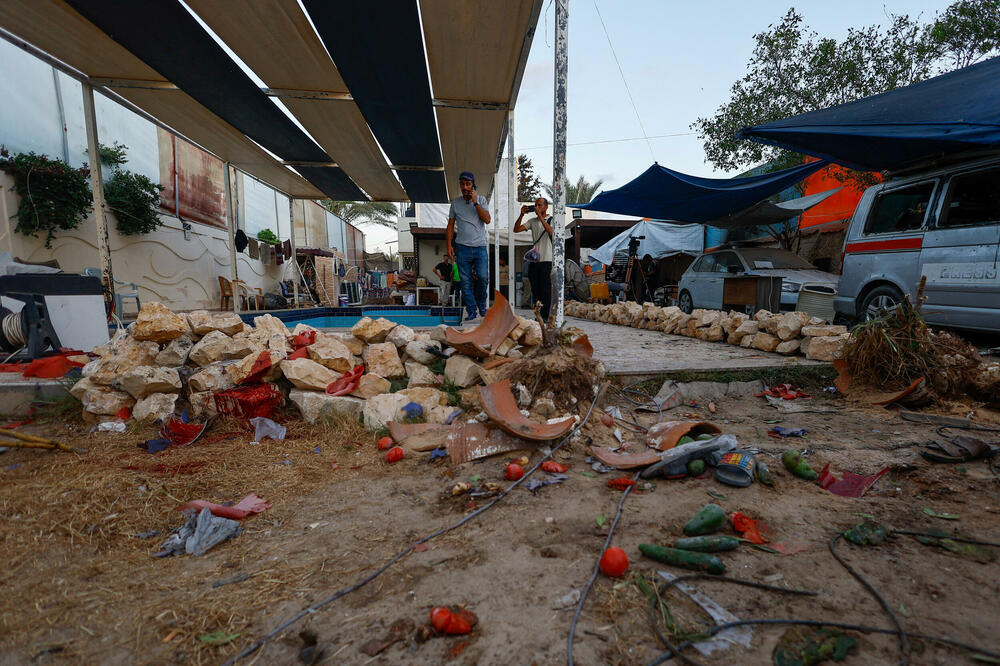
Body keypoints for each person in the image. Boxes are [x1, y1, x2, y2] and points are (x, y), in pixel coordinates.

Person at [446, 171, 491, 321]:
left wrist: (475, 202)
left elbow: (487, 220)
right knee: (465, 282)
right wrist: (449, 245)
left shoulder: (481, 200)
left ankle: (481, 304)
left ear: (473, 185)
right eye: (462, 184)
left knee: (483, 277)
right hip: (462, 248)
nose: (465, 187)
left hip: (480, 247)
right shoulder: (455, 203)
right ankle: (471, 310)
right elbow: (450, 225)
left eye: (468, 184)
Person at [514, 197, 554, 321]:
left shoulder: (552, 220)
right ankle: (539, 315)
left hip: (547, 260)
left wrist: (540, 217)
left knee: (545, 289)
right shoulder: (532, 221)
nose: (537, 207)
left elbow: (551, 232)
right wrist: (521, 215)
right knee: (535, 289)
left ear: (546, 207)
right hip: (535, 260)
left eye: (540, 205)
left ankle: (545, 316)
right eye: (536, 205)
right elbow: (516, 229)